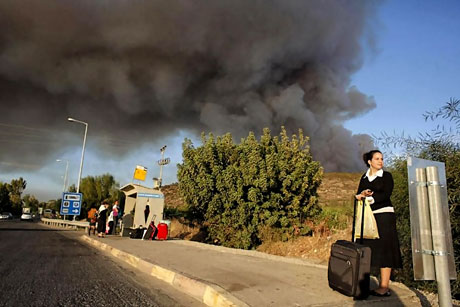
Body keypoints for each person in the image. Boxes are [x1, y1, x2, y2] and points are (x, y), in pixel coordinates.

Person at [355, 150, 402, 297]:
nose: (380, 161)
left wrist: (371, 198)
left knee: (385, 249)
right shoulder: (364, 177)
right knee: (366, 248)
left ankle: (384, 287)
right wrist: (361, 196)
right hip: (368, 217)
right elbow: (358, 193)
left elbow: (386, 194)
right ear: (369, 161)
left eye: (382, 158)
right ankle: (362, 285)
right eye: (377, 159)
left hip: (384, 216)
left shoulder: (386, 176)